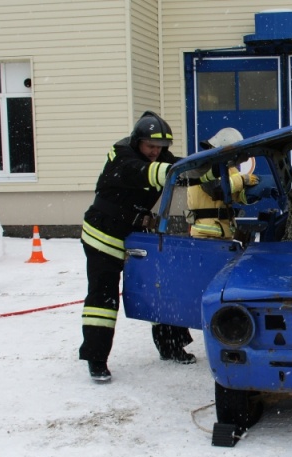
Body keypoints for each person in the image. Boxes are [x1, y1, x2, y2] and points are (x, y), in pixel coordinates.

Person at [79, 111, 197, 383]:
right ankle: (96, 359)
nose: (156, 152)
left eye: (161, 147)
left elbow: (185, 171)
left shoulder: (160, 158)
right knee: (103, 299)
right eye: (150, 146)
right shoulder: (121, 155)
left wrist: (213, 168)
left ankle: (171, 346)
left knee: (160, 288)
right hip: (103, 234)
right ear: (137, 141)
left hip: (136, 235)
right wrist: (176, 170)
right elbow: (144, 173)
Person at [186, 127, 260, 241]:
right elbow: (216, 190)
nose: (235, 158)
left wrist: (256, 192)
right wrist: (242, 180)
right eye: (233, 153)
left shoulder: (229, 168)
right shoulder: (202, 166)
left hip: (225, 233)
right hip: (205, 235)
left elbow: (235, 195)